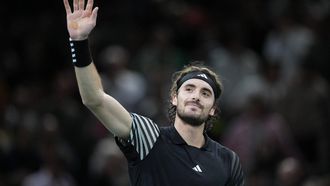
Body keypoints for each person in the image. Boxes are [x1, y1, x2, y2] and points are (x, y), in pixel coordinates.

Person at [62, 0, 245, 185]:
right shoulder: (149, 137)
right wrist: (79, 42)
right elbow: (94, 99)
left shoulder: (228, 160)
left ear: (213, 109)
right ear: (174, 98)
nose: (196, 96)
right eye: (189, 89)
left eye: (206, 93)